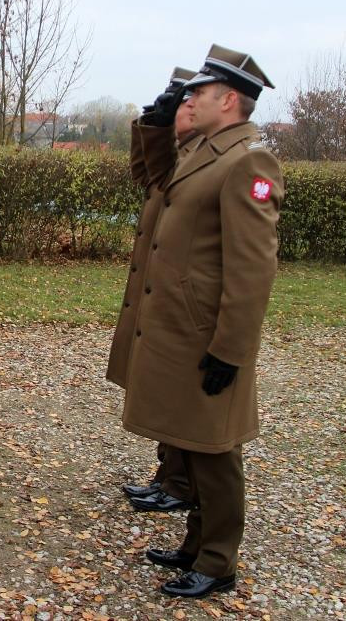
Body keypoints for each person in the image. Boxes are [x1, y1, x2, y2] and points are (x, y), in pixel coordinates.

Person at [121, 45, 283, 599]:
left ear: (229, 100)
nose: (189, 96)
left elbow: (252, 268)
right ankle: (195, 545)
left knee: (214, 453)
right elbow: (151, 173)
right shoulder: (202, 151)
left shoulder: (249, 162)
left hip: (207, 336)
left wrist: (231, 350)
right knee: (190, 442)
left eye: (199, 92)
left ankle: (218, 560)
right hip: (182, 332)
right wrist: (157, 121)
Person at [107, 67, 199, 514]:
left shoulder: (201, 157)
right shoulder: (182, 153)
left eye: (179, 101)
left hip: (179, 295)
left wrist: (159, 128)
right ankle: (168, 474)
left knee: (176, 394)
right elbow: (143, 172)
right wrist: (149, 124)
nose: (176, 109)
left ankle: (180, 482)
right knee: (160, 387)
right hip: (154, 285)